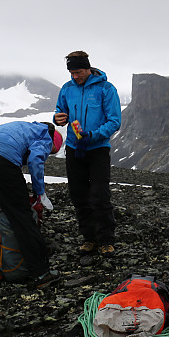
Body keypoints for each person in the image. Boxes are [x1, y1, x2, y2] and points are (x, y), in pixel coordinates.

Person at [0, 120, 63, 288]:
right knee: (21, 217)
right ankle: (41, 273)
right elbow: (35, 160)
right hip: (2, 160)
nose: (48, 153)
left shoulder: (22, 127)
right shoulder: (45, 134)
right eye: (51, 151)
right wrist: (39, 193)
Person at [53, 51, 122, 257]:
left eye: (79, 72)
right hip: (74, 149)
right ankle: (89, 238)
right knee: (78, 194)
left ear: (88, 68)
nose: (75, 76)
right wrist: (58, 118)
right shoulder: (67, 89)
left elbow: (114, 121)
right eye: (72, 73)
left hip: (97, 149)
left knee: (100, 195)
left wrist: (93, 135)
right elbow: (59, 110)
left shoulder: (106, 89)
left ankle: (106, 240)